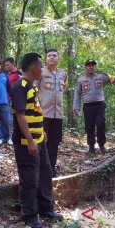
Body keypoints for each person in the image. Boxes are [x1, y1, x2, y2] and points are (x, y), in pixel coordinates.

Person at [11, 53, 63, 228]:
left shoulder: (32, 86)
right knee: (29, 179)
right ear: (33, 68)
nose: (42, 69)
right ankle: (30, 214)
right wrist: (31, 141)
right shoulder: (20, 86)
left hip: (39, 140)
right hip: (27, 144)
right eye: (40, 66)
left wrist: (41, 133)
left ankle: (45, 208)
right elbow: (20, 116)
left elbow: (35, 111)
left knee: (44, 174)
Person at [73, 59, 115, 156]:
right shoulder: (81, 80)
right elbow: (77, 94)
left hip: (100, 105)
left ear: (95, 67)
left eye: (93, 65)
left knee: (101, 125)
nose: (91, 67)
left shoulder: (101, 77)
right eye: (88, 65)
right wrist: (76, 107)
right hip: (88, 106)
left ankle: (102, 145)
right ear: (85, 67)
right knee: (89, 127)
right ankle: (91, 147)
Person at [35, 48, 67, 177]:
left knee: (55, 142)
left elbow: (62, 90)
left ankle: (51, 168)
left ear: (58, 59)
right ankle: (41, 168)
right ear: (46, 59)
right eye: (49, 56)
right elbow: (35, 91)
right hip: (44, 114)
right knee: (43, 142)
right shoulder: (40, 72)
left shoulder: (62, 74)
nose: (52, 57)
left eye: (54, 55)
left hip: (58, 114)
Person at [0, 59, 13, 146]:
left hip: (4, 101)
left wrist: (14, 98)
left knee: (6, 120)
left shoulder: (4, 76)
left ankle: (8, 137)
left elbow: (9, 89)